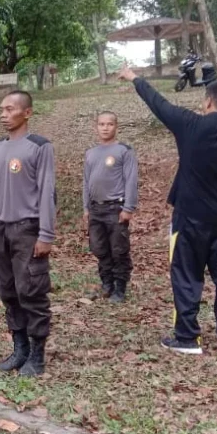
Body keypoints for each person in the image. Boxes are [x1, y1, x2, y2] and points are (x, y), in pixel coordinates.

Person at [118, 66, 217, 358]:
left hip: (189, 219)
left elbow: (157, 103)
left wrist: (134, 77)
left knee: (186, 276)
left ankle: (187, 337)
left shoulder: (189, 124)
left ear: (208, 101)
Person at [0, 91, 56, 377]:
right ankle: (20, 347)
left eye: (10, 109)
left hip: (28, 229)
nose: (3, 114)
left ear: (26, 113)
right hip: (1, 229)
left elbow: (47, 191)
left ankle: (37, 355)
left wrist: (46, 234)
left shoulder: (39, 147)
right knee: (8, 291)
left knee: (31, 291)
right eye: (1, 109)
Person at [82, 112, 138, 303]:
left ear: (116, 127)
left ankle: (120, 287)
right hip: (96, 209)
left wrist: (128, 208)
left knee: (118, 249)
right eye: (101, 124)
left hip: (116, 208)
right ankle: (107, 283)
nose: (105, 127)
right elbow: (86, 182)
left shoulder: (124, 151)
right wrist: (86, 208)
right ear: (95, 127)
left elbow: (131, 180)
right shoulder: (90, 153)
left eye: (110, 124)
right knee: (99, 248)